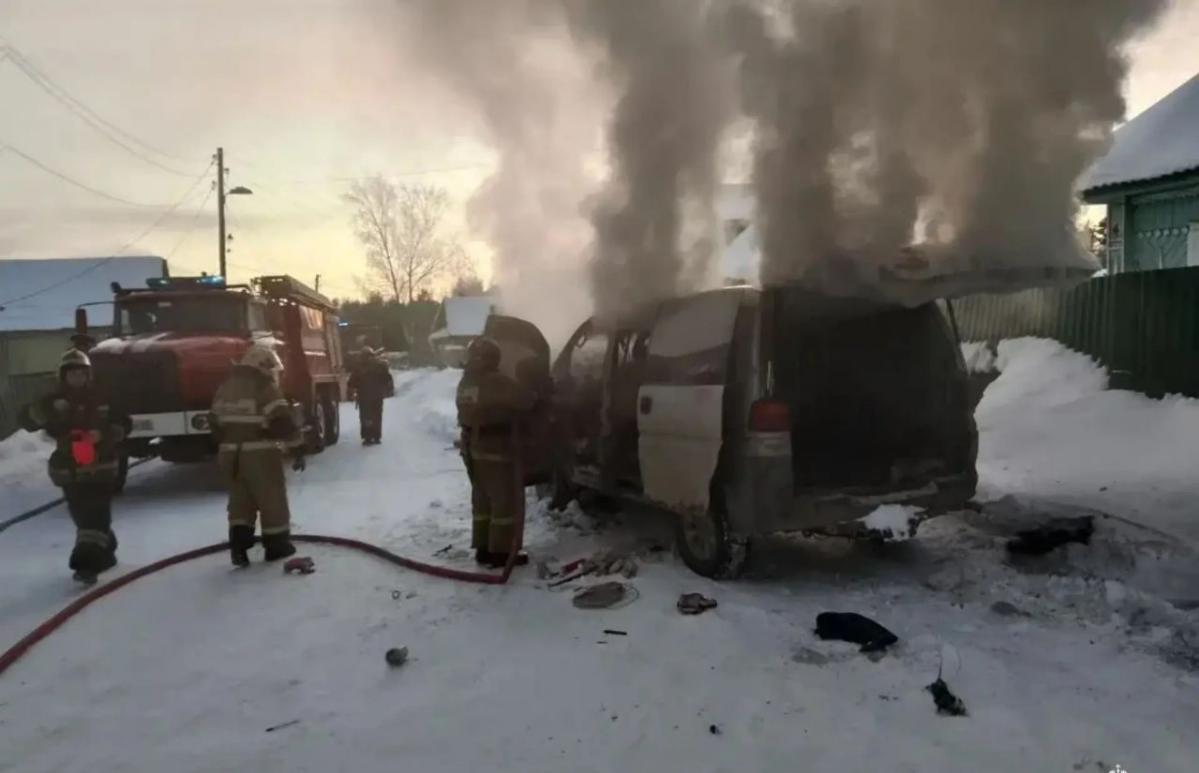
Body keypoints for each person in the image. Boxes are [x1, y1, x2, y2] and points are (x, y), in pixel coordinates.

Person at [19, 349, 130, 584]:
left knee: (95, 518)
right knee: (83, 519)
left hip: (101, 468)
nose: (77, 378)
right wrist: (49, 410)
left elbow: (124, 423)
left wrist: (102, 434)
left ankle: (86, 565)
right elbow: (26, 420)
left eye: (81, 373)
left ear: (88, 375)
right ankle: (106, 550)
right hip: (70, 471)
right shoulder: (53, 401)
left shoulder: (104, 397)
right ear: (63, 376)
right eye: (72, 374)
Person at [210, 344, 306, 567]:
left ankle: (239, 548)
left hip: (229, 454)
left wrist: (230, 441)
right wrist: (298, 449)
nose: (272, 373)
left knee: (240, 501)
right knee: (271, 499)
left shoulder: (225, 386)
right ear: (262, 366)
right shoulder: (264, 387)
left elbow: (213, 422)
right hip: (259, 454)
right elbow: (282, 422)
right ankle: (276, 546)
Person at [455, 337, 536, 568]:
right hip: (495, 448)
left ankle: (483, 548)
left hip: (473, 448)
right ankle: (501, 553)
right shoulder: (495, 381)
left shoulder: (466, 381)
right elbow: (525, 400)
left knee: (483, 500)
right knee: (504, 502)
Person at [348, 347, 394, 445]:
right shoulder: (380, 365)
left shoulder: (359, 367)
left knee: (366, 417)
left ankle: (368, 437)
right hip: (377, 396)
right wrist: (387, 389)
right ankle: (376, 437)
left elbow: (352, 382)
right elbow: (387, 378)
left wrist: (352, 391)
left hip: (364, 397)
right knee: (377, 416)